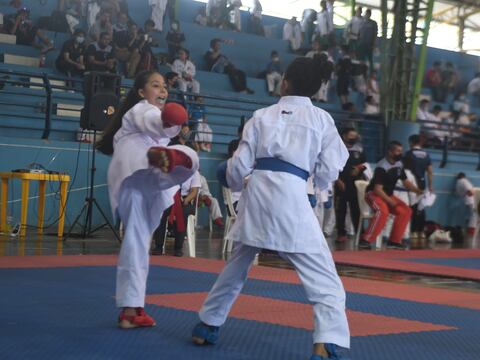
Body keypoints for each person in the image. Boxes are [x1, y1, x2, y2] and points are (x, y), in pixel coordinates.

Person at [191, 57, 351, 360]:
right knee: (323, 276)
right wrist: (317, 186)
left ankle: (207, 325)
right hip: (292, 195)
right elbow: (331, 166)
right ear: (316, 89)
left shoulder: (261, 115)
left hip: (258, 193)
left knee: (237, 265)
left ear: (285, 82)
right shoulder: (321, 119)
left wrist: (234, 183)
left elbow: (238, 166)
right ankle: (327, 342)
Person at [96, 70, 199, 328]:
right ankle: (131, 309)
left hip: (150, 177)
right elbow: (154, 119)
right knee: (137, 238)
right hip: (135, 170)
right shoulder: (140, 110)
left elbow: (164, 124)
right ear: (141, 92)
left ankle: (132, 309)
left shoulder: (159, 131)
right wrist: (169, 118)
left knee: (140, 239)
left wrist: (170, 125)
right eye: (155, 85)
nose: (162, 90)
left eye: (164, 86)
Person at [359, 141, 423, 250]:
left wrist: (417, 190)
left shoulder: (399, 165)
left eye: (401, 151)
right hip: (373, 194)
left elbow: (405, 181)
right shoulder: (382, 166)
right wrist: (389, 201)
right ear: (390, 152)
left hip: (387, 195)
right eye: (397, 151)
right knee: (383, 212)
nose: (400, 153)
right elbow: (377, 189)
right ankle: (365, 240)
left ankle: (394, 241)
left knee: (406, 211)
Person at [152, 170, 201, 257]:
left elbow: (194, 191)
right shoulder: (172, 169)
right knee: (160, 211)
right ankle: (158, 246)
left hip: (186, 200)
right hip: (170, 198)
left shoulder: (194, 172)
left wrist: (185, 201)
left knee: (183, 213)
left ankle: (178, 248)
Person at [334, 128, 366, 242]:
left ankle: (360, 233)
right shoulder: (337, 148)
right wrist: (338, 180)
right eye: (351, 135)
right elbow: (332, 166)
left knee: (356, 210)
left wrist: (359, 168)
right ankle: (341, 233)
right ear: (344, 136)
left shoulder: (359, 150)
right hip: (341, 183)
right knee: (340, 210)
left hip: (355, 185)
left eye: (355, 136)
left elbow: (364, 165)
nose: (353, 138)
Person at [403, 134, 433, 242]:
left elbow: (404, 171)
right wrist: (430, 185)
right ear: (419, 143)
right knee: (421, 207)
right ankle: (421, 231)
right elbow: (429, 172)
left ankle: (412, 231)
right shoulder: (426, 155)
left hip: (412, 183)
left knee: (412, 207)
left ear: (411, 142)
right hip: (422, 182)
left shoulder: (408, 154)